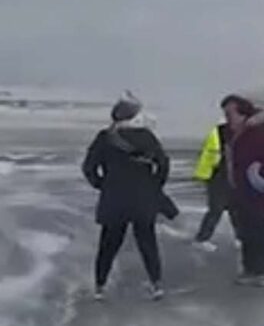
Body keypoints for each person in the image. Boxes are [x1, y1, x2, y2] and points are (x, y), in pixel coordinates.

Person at [82, 96, 171, 300]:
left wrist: (103, 185)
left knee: (109, 244)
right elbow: (163, 164)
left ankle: (100, 287)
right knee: (147, 242)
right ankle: (156, 285)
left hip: (114, 198)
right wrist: (154, 185)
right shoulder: (146, 136)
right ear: (134, 115)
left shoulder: (104, 137)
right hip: (142, 199)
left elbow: (89, 168)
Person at [226, 97, 264, 286]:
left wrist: (263, 173)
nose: (228, 118)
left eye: (230, 114)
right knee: (246, 228)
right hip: (243, 190)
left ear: (243, 114)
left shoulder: (258, 132)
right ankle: (252, 268)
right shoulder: (238, 133)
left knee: (257, 228)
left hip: (259, 190)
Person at [191, 98, 241, 250]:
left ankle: (240, 238)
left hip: (238, 177)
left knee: (236, 210)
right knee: (216, 209)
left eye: (232, 112)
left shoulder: (247, 130)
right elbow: (208, 154)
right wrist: (204, 175)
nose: (229, 115)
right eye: (227, 112)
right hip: (219, 175)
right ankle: (201, 239)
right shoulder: (219, 131)